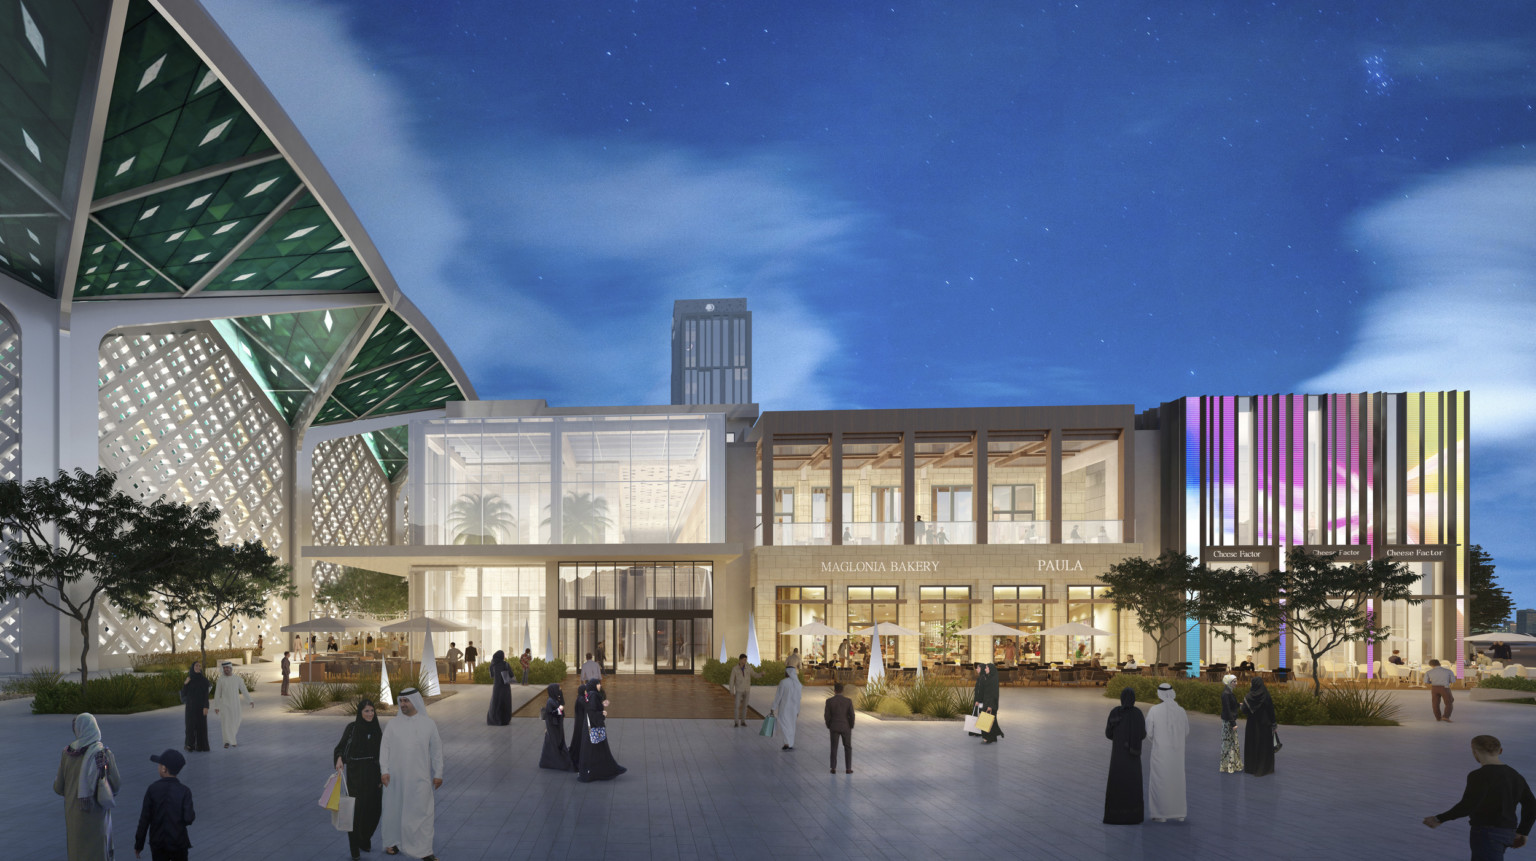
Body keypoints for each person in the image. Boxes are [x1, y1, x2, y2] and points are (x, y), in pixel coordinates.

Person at [1424, 734, 1536, 860]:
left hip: (1486, 833)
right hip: (1508, 832)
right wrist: (1523, 832)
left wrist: (1439, 819)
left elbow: (1468, 805)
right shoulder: (1515, 775)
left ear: (1475, 752)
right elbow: (1531, 804)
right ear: (1500, 751)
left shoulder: (1478, 775)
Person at [380, 688, 443, 861]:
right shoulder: (393, 725)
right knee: (394, 810)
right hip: (395, 779)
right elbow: (384, 749)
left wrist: (438, 773)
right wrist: (384, 771)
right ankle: (393, 842)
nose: (403, 705)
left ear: (415, 701)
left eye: (406, 701)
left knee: (423, 813)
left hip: (419, 779)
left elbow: (436, 750)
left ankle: (424, 850)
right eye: (401, 701)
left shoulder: (428, 724)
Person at [54, 713, 121, 861]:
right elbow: (116, 785)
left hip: (74, 817)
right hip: (96, 817)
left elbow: (58, 787)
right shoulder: (103, 754)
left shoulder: (67, 753)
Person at [334, 700, 384, 861]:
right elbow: (341, 747)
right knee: (355, 812)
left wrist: (384, 773)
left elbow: (383, 753)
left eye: (372, 711)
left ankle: (364, 838)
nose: (370, 714)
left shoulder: (377, 730)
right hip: (356, 774)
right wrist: (339, 758)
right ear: (360, 713)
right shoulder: (352, 728)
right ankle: (354, 847)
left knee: (374, 810)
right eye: (366, 711)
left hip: (373, 773)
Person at [134, 749, 193, 861]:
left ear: (164, 768)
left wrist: (139, 844)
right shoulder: (185, 791)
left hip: (158, 843)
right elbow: (189, 818)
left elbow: (144, 820)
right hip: (179, 842)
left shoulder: (152, 789)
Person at [1146, 683, 1189, 822]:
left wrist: (1158, 742)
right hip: (1177, 754)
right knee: (1177, 782)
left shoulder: (1154, 710)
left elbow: (1149, 732)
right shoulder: (1181, 710)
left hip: (1160, 753)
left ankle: (1160, 815)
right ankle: (1179, 813)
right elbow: (1186, 731)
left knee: (1160, 782)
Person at [1104, 687, 1146, 824]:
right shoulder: (1138, 714)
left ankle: (1116, 815)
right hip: (1133, 757)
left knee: (1117, 783)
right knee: (1132, 784)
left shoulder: (1115, 712)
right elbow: (1143, 734)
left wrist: (1119, 738)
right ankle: (1133, 816)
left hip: (1118, 756)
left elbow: (1108, 733)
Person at [577, 680, 627, 782]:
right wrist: (602, 714)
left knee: (595, 749)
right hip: (594, 728)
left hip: (589, 728)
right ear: (594, 685)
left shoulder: (590, 695)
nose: (600, 685)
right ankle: (596, 771)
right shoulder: (594, 695)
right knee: (597, 749)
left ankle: (593, 771)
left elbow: (589, 708)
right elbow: (592, 711)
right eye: (598, 684)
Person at [1240, 676, 1277, 776]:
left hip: (1252, 725)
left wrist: (1241, 706)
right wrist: (1274, 723)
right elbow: (1271, 710)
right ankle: (1265, 768)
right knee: (1263, 746)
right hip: (1265, 725)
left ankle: (1251, 768)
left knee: (1252, 744)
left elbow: (1244, 710)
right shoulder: (1266, 695)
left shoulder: (1249, 697)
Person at [210, 660, 253, 749]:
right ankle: (228, 742)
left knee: (235, 722)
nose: (226, 669)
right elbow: (217, 694)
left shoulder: (237, 679)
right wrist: (216, 706)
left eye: (227, 667)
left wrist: (250, 700)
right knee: (226, 724)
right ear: (223, 669)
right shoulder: (221, 680)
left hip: (235, 705)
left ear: (231, 668)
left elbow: (244, 690)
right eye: (224, 668)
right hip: (224, 705)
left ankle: (231, 739)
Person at [768, 666, 803, 750]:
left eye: (785, 672)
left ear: (788, 672)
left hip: (785, 708)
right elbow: (799, 699)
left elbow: (778, 696)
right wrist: (798, 710)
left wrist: (773, 707)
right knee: (791, 726)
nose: (784, 673)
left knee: (785, 725)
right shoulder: (798, 684)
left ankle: (787, 743)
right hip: (794, 709)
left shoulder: (783, 682)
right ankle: (790, 743)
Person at [539, 684, 573, 771]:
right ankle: (554, 761)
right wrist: (559, 710)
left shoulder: (554, 699)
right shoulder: (550, 701)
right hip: (553, 727)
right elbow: (550, 714)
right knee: (554, 741)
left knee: (554, 741)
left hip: (556, 726)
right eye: (558, 689)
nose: (560, 690)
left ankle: (550, 760)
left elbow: (562, 702)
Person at [825, 682, 855, 774]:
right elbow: (852, 715)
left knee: (834, 747)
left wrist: (829, 725)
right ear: (842, 691)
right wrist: (851, 725)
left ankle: (833, 768)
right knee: (848, 747)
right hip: (846, 727)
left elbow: (827, 716)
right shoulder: (848, 701)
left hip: (834, 726)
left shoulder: (829, 701)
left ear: (834, 690)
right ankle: (848, 768)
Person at [181, 662, 211, 753]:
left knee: (201, 726)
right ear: (192, 667)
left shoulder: (204, 680)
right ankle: (189, 745)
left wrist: (206, 706)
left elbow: (206, 695)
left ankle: (201, 745)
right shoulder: (189, 679)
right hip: (190, 707)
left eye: (199, 666)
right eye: (196, 666)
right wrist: (185, 684)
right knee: (190, 726)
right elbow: (183, 693)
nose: (198, 667)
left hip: (201, 706)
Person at [1219, 674, 1244, 774]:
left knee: (1232, 743)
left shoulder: (1229, 692)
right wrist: (1233, 723)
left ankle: (1232, 764)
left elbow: (1231, 705)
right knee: (1229, 743)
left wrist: (1239, 704)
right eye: (1234, 681)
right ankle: (1228, 765)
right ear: (1229, 682)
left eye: (1236, 681)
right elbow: (1227, 710)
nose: (1236, 683)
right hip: (1229, 722)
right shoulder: (1226, 694)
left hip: (1230, 721)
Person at [973, 663, 1003, 743]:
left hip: (991, 703)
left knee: (987, 720)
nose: (985, 669)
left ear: (990, 669)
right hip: (987, 702)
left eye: (986, 668)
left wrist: (990, 705)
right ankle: (992, 737)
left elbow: (994, 694)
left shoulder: (993, 680)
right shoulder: (989, 678)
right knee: (990, 721)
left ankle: (988, 738)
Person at [729, 653, 761, 727]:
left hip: (747, 690)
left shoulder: (748, 667)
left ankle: (743, 721)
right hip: (739, 690)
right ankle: (736, 722)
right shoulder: (735, 669)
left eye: (746, 660)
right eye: (744, 660)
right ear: (740, 660)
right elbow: (731, 680)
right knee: (737, 706)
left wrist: (760, 674)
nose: (745, 661)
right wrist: (731, 690)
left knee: (745, 706)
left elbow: (754, 674)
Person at [486, 650, 513, 725]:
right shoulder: (506, 664)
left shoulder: (493, 664)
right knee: (505, 702)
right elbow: (511, 674)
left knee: (496, 702)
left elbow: (491, 676)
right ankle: (504, 719)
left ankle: (494, 719)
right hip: (505, 686)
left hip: (497, 686)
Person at [569, 676, 589, 772]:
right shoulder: (581, 700)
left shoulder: (580, 698)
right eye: (586, 690)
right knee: (580, 738)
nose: (587, 692)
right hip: (581, 723)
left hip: (579, 722)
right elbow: (587, 707)